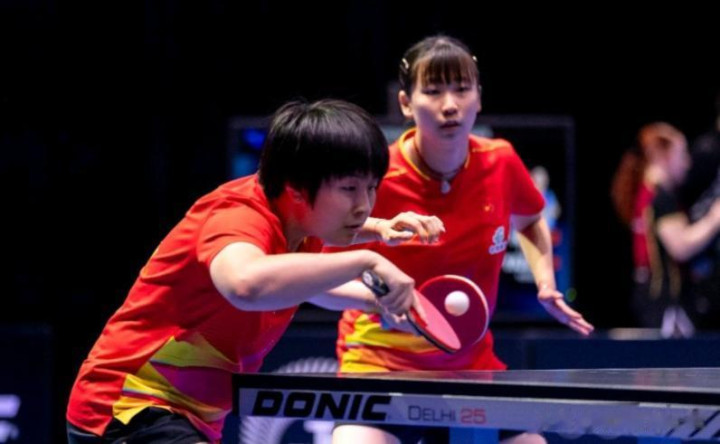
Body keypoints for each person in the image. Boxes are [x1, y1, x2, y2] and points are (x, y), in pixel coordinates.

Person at [65, 99, 445, 444]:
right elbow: (246, 284)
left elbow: (301, 284)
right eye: (349, 189)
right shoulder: (237, 216)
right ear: (297, 187)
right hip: (126, 409)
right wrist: (367, 261)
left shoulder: (301, 227)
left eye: (371, 188)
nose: (364, 205)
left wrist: (377, 295)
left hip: (183, 420)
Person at [330, 35, 594, 444]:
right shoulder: (377, 176)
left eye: (461, 89)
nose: (450, 104)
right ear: (406, 103)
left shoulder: (500, 160)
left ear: (479, 98)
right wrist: (377, 301)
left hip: (470, 364)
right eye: (433, 91)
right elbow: (319, 264)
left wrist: (545, 283)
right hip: (379, 363)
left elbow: (530, 220)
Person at [611, 122, 720, 337]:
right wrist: (714, 218)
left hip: (650, 296)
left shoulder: (647, 192)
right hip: (662, 301)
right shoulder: (660, 197)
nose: (687, 163)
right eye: (682, 155)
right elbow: (681, 247)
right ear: (663, 157)